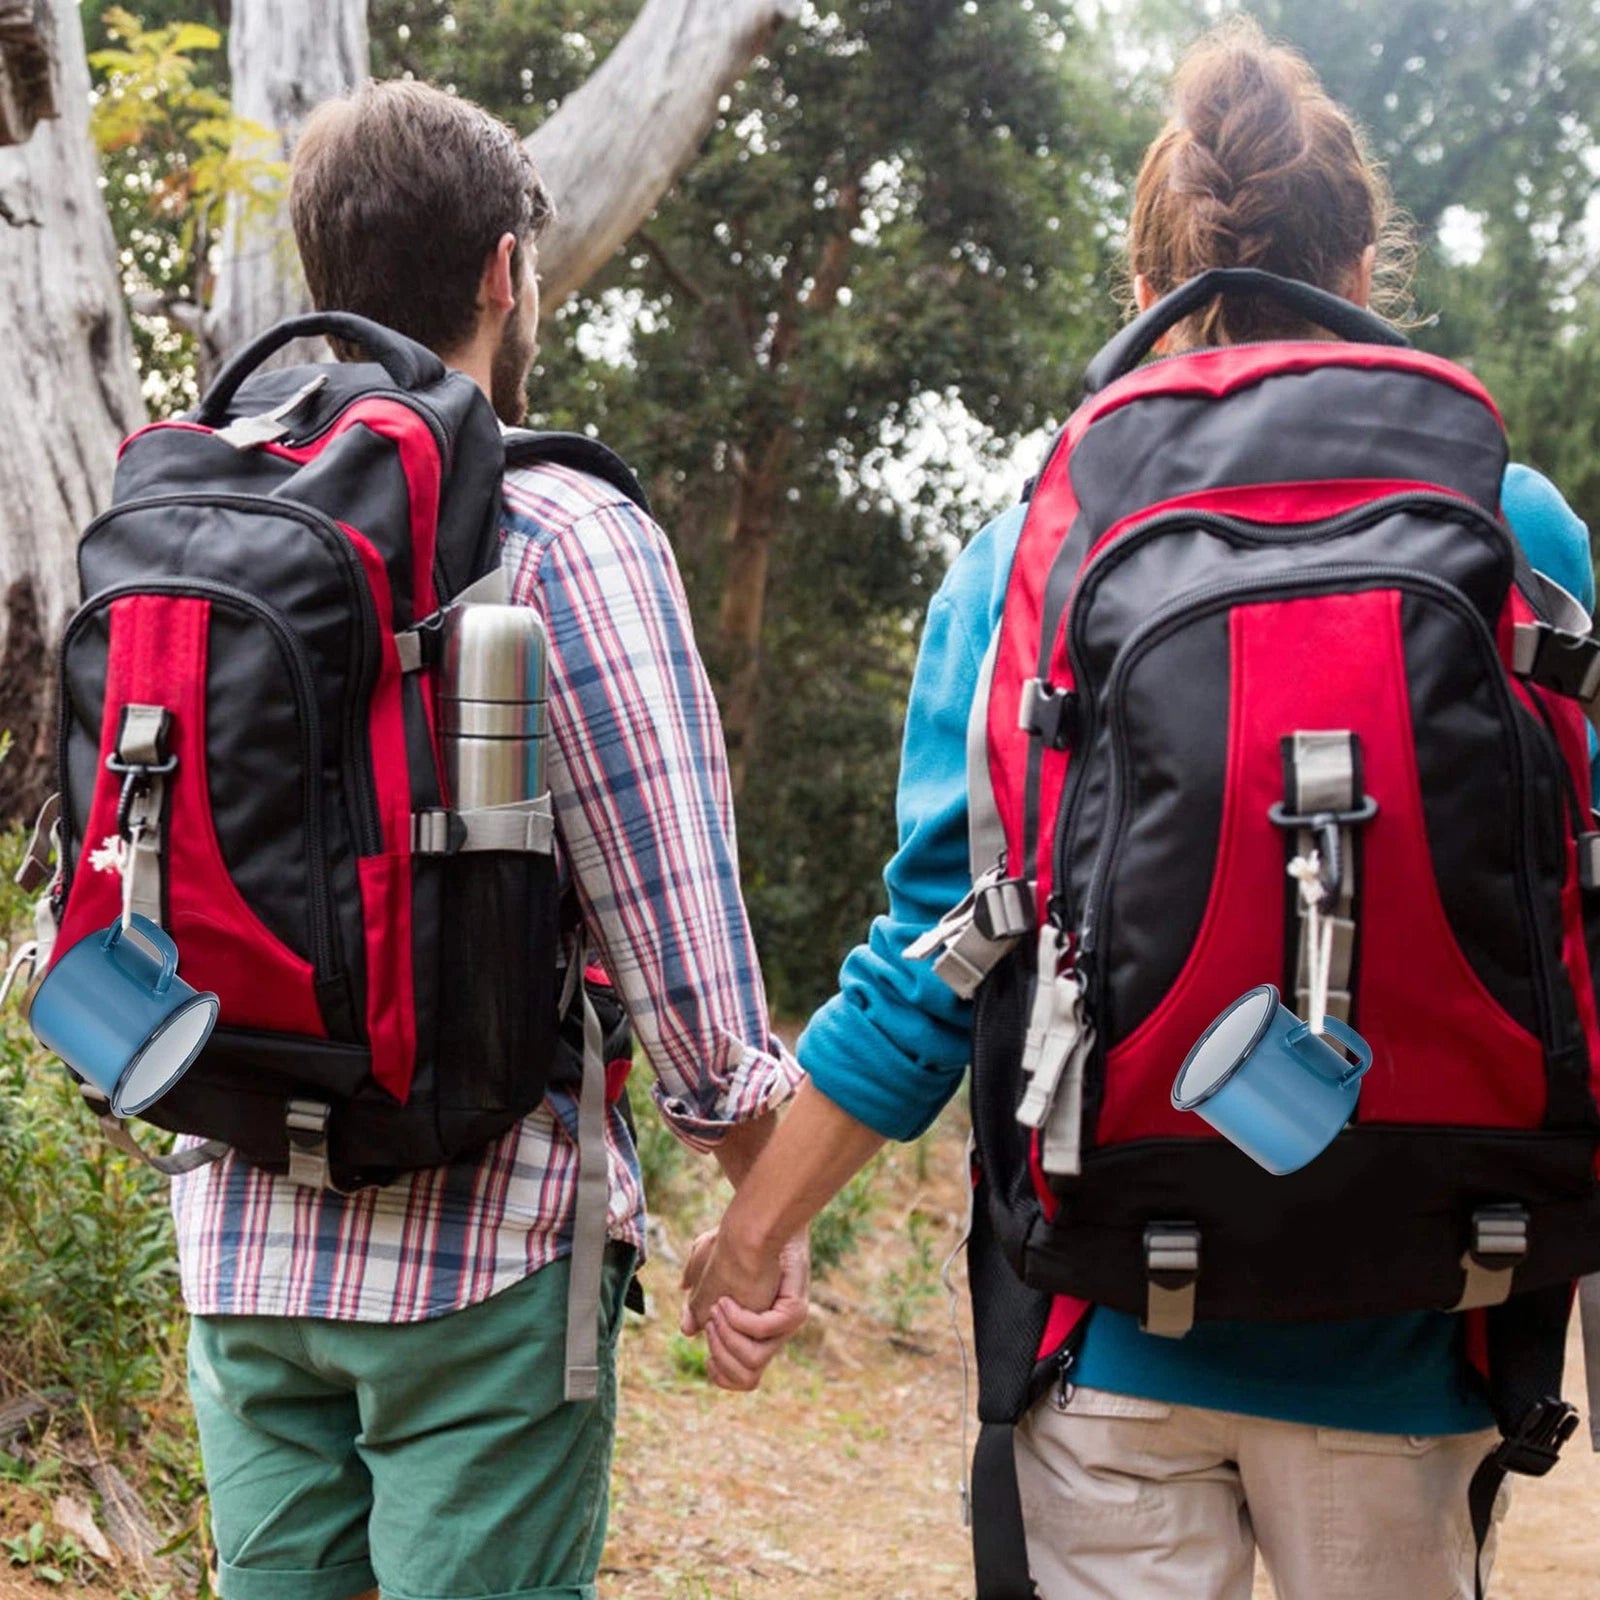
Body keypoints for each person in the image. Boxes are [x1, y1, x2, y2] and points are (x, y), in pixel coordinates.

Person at [682, 18, 1594, 1598]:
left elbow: (936, 959)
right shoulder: (1513, 526)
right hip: (1423, 1315)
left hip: (1111, 1322)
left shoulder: (1034, 538)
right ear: (1366, 262)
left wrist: (754, 1232)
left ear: (1149, 279)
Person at [176, 80, 807, 1600]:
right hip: (486, 1245)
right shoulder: (566, 532)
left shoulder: (205, 512)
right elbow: (683, 959)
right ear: (505, 273)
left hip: (241, 1237)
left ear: (328, 278)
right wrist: (763, 1193)